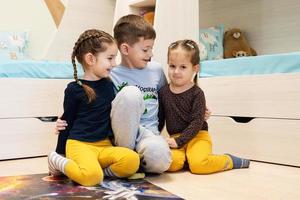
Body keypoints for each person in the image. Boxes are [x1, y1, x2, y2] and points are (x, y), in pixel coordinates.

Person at [56, 14, 172, 174]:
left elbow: (166, 100)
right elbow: (85, 97)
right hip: (121, 136)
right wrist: (64, 120)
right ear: (125, 49)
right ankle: (126, 158)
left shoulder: (156, 70)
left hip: (148, 133)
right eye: (146, 49)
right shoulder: (108, 73)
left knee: (161, 161)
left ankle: (123, 165)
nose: (150, 54)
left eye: (151, 48)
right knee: (131, 93)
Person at [48, 29, 140, 186]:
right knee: (92, 178)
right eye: (110, 58)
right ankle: (55, 160)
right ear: (90, 59)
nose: (114, 63)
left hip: (104, 145)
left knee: (132, 160)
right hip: (80, 144)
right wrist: (60, 152)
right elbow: (66, 121)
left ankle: (99, 172)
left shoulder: (109, 84)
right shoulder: (74, 89)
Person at [158, 39, 250, 174]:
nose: (176, 71)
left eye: (183, 67)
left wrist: (180, 141)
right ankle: (188, 159)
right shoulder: (164, 92)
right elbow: (160, 118)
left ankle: (228, 160)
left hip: (198, 135)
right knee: (169, 164)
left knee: (199, 165)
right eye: (172, 66)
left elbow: (197, 122)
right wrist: (156, 138)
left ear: (195, 68)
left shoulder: (197, 93)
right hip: (177, 138)